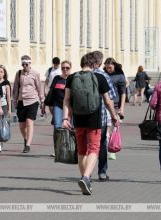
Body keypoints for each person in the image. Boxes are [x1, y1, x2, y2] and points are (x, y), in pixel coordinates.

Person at [62, 53, 119, 195]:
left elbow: (67, 99)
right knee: (94, 149)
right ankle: (86, 177)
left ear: (81, 63)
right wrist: (114, 116)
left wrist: (65, 118)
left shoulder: (71, 77)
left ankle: (86, 180)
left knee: (81, 150)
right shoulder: (99, 77)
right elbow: (107, 101)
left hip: (78, 118)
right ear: (94, 64)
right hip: (94, 118)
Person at [91, 51, 117, 182]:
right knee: (101, 144)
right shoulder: (103, 76)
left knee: (86, 146)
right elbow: (111, 97)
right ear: (101, 62)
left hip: (81, 117)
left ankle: (85, 172)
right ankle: (101, 172)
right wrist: (114, 116)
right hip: (99, 116)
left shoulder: (80, 75)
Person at [12, 55, 44, 153]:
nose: (25, 66)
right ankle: (26, 138)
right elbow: (16, 88)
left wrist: (42, 101)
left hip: (33, 101)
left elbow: (39, 88)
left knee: (29, 122)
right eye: (23, 64)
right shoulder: (18, 74)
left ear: (30, 64)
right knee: (22, 125)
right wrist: (15, 101)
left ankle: (28, 145)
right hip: (22, 101)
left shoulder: (35, 74)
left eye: (26, 64)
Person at [44, 60, 72, 128]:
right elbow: (51, 91)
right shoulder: (57, 78)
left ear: (70, 68)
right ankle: (57, 138)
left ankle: (69, 138)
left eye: (67, 68)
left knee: (69, 126)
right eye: (63, 68)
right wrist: (45, 104)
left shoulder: (73, 78)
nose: (65, 69)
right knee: (57, 125)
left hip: (70, 107)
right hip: (58, 105)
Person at [0, 65, 12, 153]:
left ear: (4, 73)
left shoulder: (6, 84)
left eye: (1, 72)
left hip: (3, 106)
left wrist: (9, 109)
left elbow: (8, 97)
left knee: (0, 126)